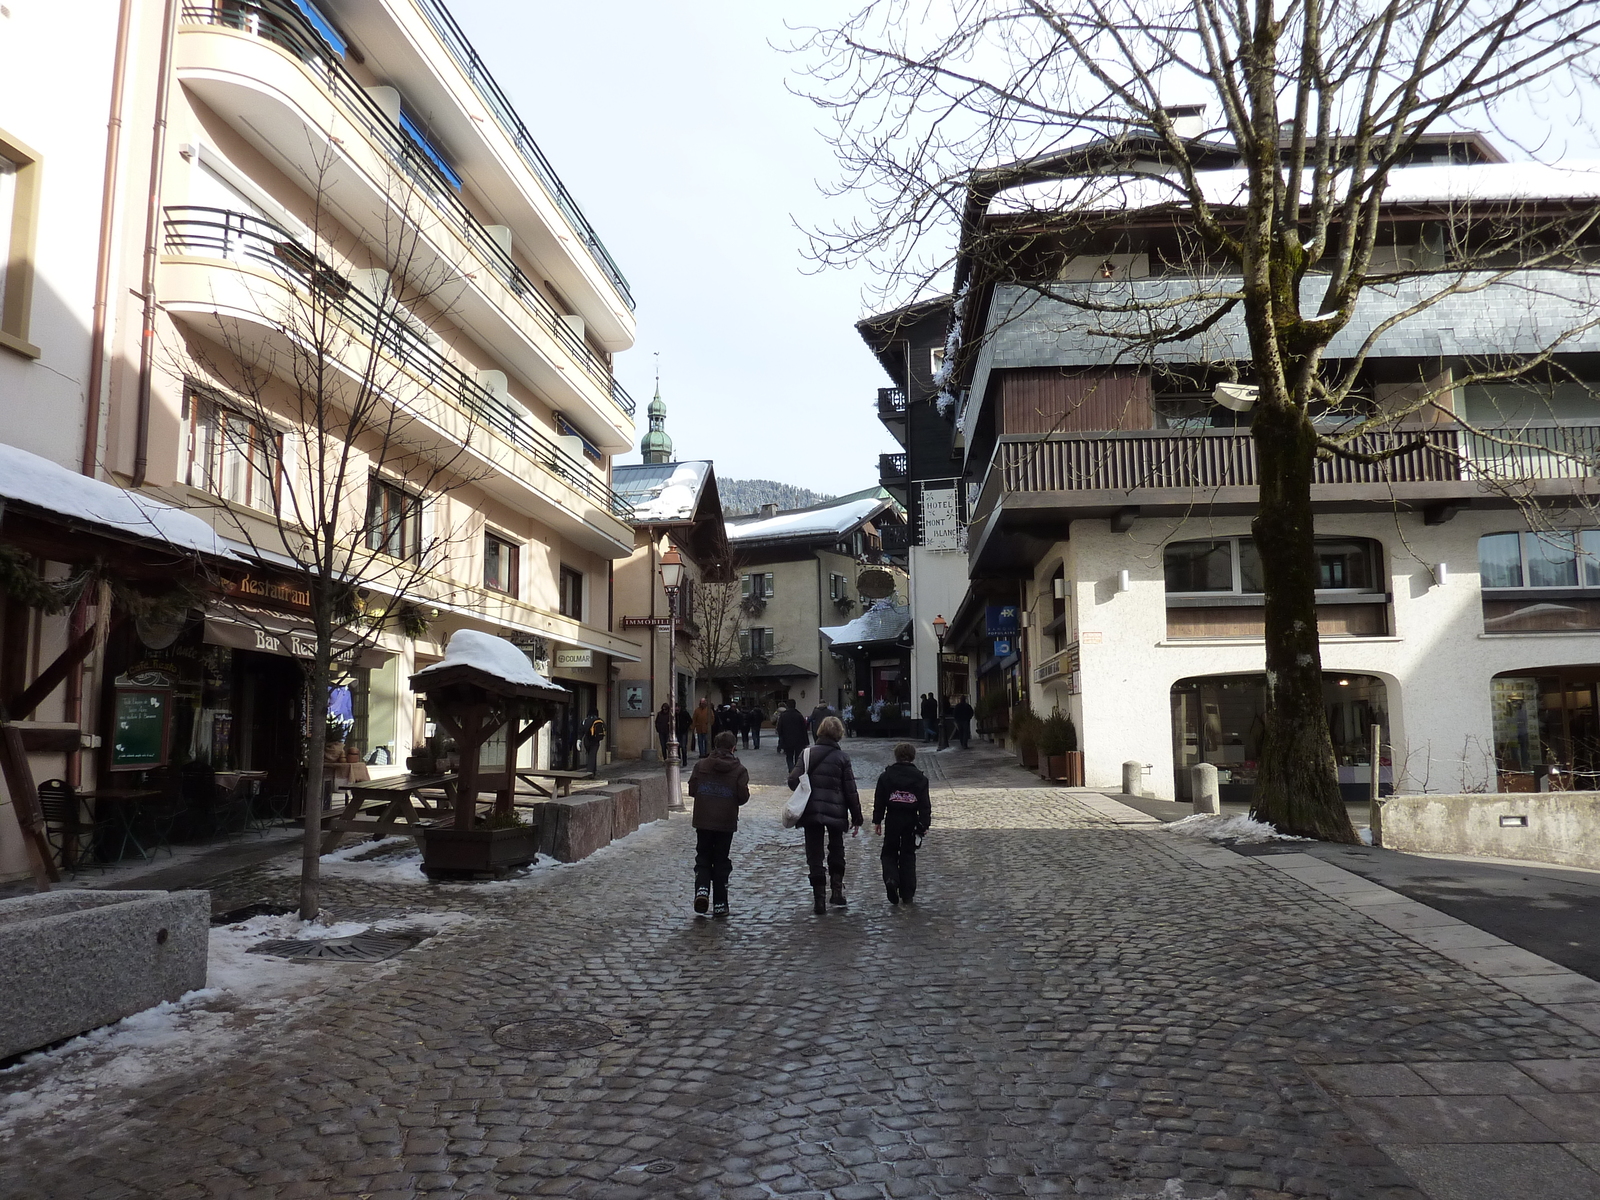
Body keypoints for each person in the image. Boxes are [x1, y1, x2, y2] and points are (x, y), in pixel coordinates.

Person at [787, 715, 862, 914]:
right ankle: (837, 892)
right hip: (836, 810)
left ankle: (818, 899)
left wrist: (806, 785)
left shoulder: (807, 754)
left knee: (814, 853)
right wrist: (856, 815)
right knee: (836, 848)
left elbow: (792, 781)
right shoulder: (842, 758)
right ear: (839, 734)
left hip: (812, 809)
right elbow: (850, 789)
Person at [688, 730, 750, 916]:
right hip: (725, 822)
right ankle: (720, 903)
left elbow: (692, 789)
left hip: (703, 819)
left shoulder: (701, 765)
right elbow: (742, 796)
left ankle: (702, 889)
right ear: (733, 747)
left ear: (715, 746)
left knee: (703, 856)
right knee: (721, 859)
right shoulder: (739, 770)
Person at [873, 742, 932, 905]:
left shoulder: (886, 776)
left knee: (889, 852)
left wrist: (877, 820)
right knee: (908, 854)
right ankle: (907, 892)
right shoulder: (920, 778)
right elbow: (925, 804)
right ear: (913, 757)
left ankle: (891, 878)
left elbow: (879, 800)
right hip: (911, 819)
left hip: (892, 818)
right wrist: (924, 824)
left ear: (896, 756)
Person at [775, 700, 810, 771]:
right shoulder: (799, 715)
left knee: (789, 756)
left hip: (787, 739)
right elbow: (804, 729)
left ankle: (791, 769)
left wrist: (781, 739)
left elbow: (779, 728)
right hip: (798, 740)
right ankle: (796, 770)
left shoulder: (783, 715)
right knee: (798, 756)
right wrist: (806, 741)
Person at [581, 708, 607, 776]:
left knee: (590, 755)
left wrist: (579, 739)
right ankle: (591, 771)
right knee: (593, 755)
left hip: (587, 740)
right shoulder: (600, 720)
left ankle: (591, 771)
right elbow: (605, 728)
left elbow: (582, 730)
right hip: (596, 740)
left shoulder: (586, 720)